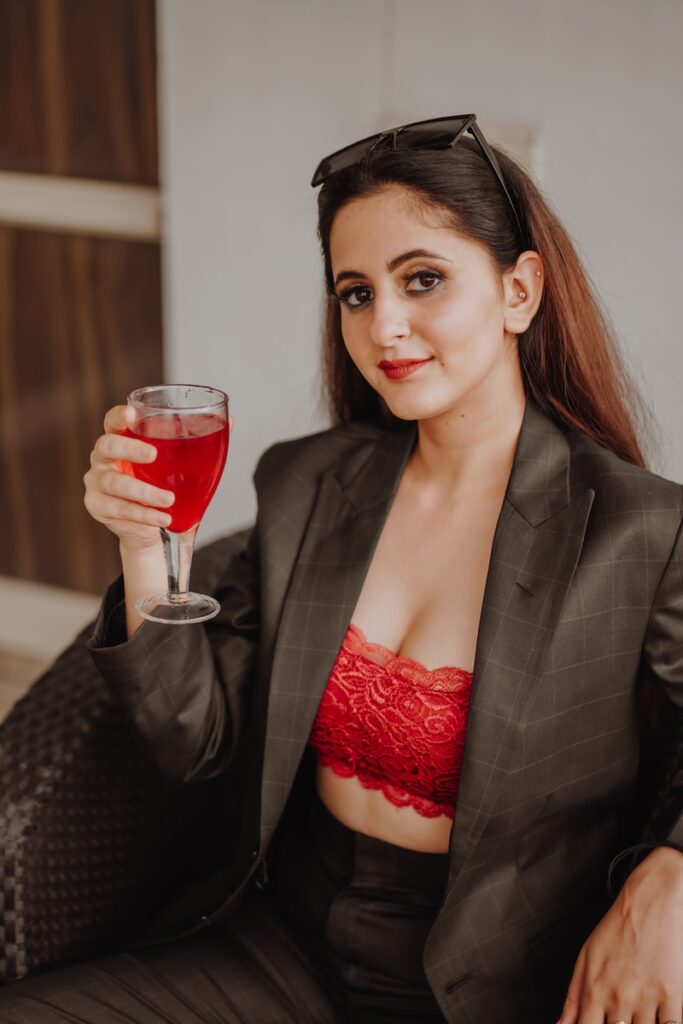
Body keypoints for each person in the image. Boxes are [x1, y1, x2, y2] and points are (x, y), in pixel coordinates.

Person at [1, 113, 682, 1024]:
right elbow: (193, 741)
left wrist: (668, 880)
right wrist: (144, 549)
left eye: (423, 280)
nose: (384, 326)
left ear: (519, 291)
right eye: (355, 293)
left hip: (496, 987)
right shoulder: (308, 483)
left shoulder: (639, 529)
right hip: (287, 944)